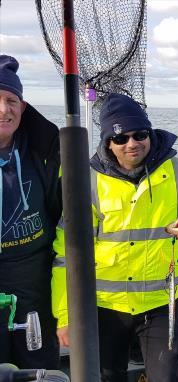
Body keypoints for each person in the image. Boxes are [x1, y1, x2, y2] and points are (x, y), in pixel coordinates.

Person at [51, 93, 178, 382]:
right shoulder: (86, 180)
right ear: (107, 143)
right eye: (120, 138)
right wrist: (66, 316)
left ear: (150, 134)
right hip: (104, 307)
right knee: (106, 376)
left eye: (140, 134)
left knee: (166, 378)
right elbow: (68, 254)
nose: (132, 143)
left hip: (161, 303)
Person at [0, 55, 61, 370]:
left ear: (22, 107)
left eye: (11, 100)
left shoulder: (44, 149)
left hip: (34, 277)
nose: (3, 109)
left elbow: (63, 210)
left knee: (37, 365)